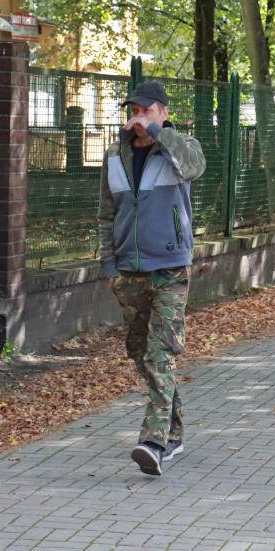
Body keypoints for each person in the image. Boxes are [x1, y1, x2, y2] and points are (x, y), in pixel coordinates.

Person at [97, 81, 205, 477]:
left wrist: (160, 135)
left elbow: (195, 166)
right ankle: (174, 433)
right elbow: (105, 214)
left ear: (161, 112)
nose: (137, 116)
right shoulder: (115, 154)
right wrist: (109, 267)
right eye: (134, 110)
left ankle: (153, 442)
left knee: (161, 353)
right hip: (128, 271)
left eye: (145, 110)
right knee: (143, 355)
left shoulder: (180, 145)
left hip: (171, 268)